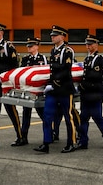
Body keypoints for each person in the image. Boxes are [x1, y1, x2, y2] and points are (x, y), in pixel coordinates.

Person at [34, 25, 76, 154]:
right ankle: (46, 142)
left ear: (62, 36)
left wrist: (54, 83)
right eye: (52, 35)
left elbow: (65, 70)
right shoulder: (54, 51)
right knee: (47, 115)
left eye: (55, 35)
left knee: (68, 117)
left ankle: (71, 143)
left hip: (64, 88)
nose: (52, 37)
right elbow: (52, 69)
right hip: (53, 89)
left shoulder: (67, 51)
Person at [76, 35, 103, 150]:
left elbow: (95, 75)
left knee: (97, 117)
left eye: (90, 44)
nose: (88, 46)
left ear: (96, 45)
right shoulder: (87, 59)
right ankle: (83, 141)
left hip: (95, 92)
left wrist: (82, 84)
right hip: (86, 93)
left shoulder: (99, 58)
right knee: (84, 117)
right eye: (87, 44)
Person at [19, 37, 48, 144]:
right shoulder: (25, 59)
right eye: (28, 46)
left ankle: (50, 133)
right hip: (28, 90)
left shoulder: (42, 58)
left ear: (36, 46)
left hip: (39, 90)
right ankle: (24, 137)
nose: (29, 48)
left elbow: (45, 72)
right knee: (26, 114)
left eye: (31, 46)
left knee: (42, 113)